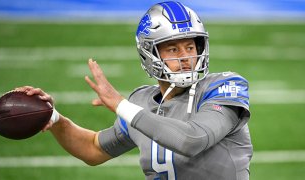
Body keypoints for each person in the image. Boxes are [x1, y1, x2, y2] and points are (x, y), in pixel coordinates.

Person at [16, 1, 252, 179]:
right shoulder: (141, 102)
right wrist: (55, 119)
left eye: (190, 46)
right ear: (150, 53)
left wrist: (120, 104)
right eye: (173, 49)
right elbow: (93, 148)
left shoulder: (223, 87)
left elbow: (191, 140)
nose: (186, 57)